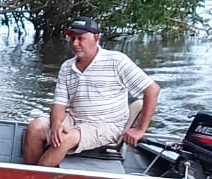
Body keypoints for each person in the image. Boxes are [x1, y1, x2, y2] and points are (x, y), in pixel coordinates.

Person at [22, 16, 161, 166]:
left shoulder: (117, 61)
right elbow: (60, 104)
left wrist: (140, 129)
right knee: (34, 128)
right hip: (75, 118)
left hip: (106, 125)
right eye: (72, 38)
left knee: (64, 140)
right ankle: (29, 177)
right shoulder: (67, 67)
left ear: (96, 38)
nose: (75, 44)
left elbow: (152, 90)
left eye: (80, 38)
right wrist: (56, 123)